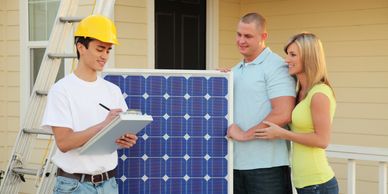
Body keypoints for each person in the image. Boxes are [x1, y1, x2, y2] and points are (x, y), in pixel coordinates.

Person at [41, 15, 138, 194]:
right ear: (81, 47)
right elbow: (64, 142)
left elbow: (114, 134)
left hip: (109, 184)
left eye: (108, 50)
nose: (104, 56)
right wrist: (103, 125)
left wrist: (124, 138)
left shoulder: (113, 90)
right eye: (100, 49)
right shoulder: (61, 90)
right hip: (75, 186)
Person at [256, 32, 339, 194]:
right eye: (287, 54)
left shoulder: (319, 94)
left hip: (318, 184)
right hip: (305, 184)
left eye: (293, 55)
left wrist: (282, 134)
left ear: (309, 57)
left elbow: (322, 140)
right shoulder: (301, 91)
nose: (286, 60)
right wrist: (231, 75)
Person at [226, 12, 296, 194]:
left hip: (267, 169)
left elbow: (283, 113)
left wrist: (244, 135)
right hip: (234, 165)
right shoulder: (235, 70)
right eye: (239, 34)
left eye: (248, 36)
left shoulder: (276, 67)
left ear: (263, 37)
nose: (241, 40)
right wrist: (218, 81)